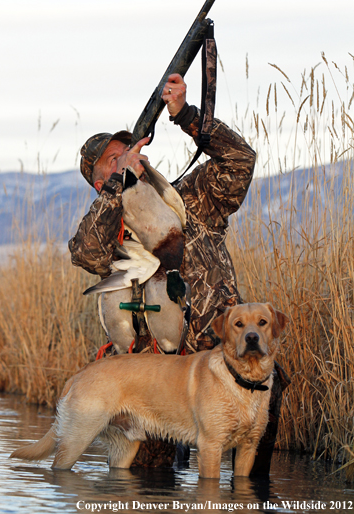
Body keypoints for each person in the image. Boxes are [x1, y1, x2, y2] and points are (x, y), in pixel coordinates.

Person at [68, 73, 289, 473]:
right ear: (102, 182)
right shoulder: (110, 230)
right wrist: (121, 182)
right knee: (146, 482)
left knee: (265, 412)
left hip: (226, 361)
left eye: (131, 150)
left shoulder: (192, 199)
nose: (131, 158)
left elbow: (241, 160)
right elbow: (85, 253)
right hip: (152, 384)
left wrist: (186, 115)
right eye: (114, 160)